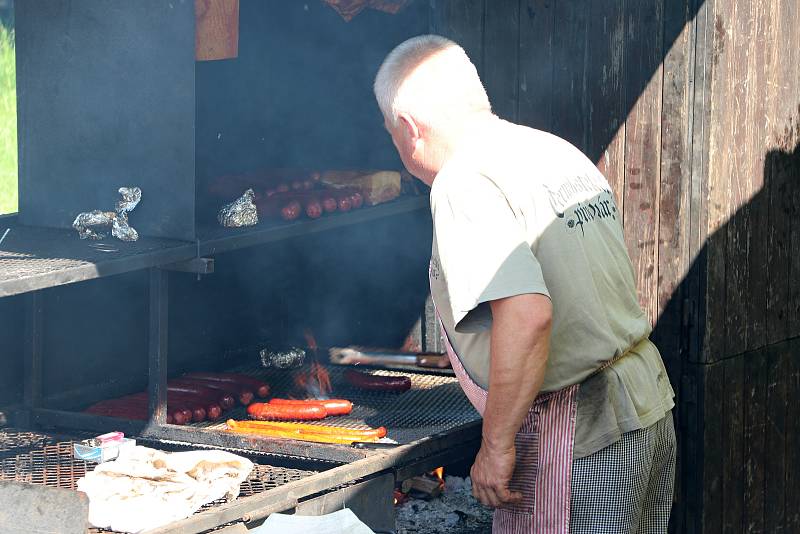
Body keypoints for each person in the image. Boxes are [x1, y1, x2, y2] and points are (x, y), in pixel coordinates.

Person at [374, 35, 676, 533]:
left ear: (408, 129)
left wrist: (495, 445)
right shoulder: (550, 151)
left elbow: (528, 313)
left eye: (390, 133)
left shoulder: (464, 181)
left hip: (580, 435)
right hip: (644, 413)